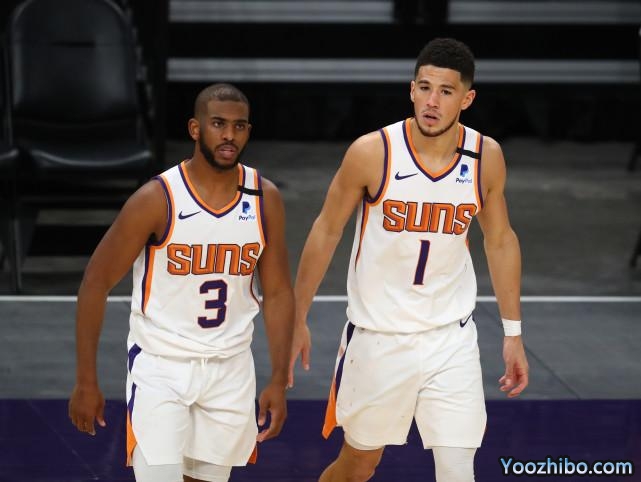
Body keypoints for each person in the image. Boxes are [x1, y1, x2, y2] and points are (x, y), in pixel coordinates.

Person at [290, 38, 529, 482]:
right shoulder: (372, 152)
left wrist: (513, 334)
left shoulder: (485, 157)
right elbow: (326, 230)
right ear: (411, 90)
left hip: (451, 337)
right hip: (379, 338)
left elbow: (500, 240)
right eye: (424, 88)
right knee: (359, 466)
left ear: (467, 99)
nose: (432, 101)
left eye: (446, 91)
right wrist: (296, 316)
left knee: (458, 468)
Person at [69, 83, 295, 482]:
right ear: (195, 128)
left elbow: (277, 293)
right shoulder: (157, 198)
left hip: (230, 368)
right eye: (218, 124)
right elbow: (95, 282)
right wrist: (86, 380)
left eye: (239, 126)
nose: (229, 135)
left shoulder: (264, 198)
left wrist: (278, 379)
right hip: (162, 366)